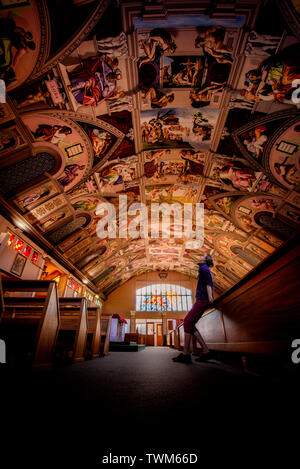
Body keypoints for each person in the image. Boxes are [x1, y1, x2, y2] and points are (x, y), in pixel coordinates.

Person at [173, 254, 214, 363]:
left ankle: (186, 354)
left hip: (202, 300)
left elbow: (209, 283)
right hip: (201, 299)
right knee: (190, 324)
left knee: (187, 321)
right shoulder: (203, 268)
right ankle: (205, 351)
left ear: (205, 260)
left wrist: (210, 297)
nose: (200, 256)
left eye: (203, 256)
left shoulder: (204, 268)